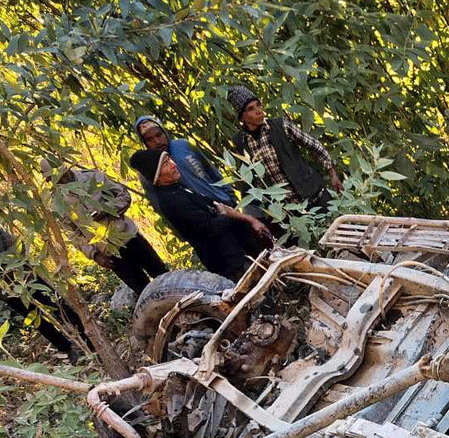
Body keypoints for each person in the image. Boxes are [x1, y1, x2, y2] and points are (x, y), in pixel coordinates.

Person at [0, 203, 87, 358]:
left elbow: (18, 248)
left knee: (58, 304)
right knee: (38, 320)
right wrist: (8, 261)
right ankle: (67, 349)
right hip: (7, 290)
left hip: (27, 276)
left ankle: (88, 339)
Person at [131, 149, 272, 281]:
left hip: (239, 249)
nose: (174, 165)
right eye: (166, 164)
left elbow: (216, 205)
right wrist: (222, 215)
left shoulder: (179, 187)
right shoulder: (171, 201)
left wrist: (250, 219)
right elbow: (210, 227)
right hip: (229, 261)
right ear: (157, 175)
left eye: (170, 159)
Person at [50, 163, 168, 295]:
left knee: (163, 276)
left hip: (129, 236)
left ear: (67, 168)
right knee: (144, 292)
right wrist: (94, 255)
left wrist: (106, 209)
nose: (64, 181)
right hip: (109, 252)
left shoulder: (92, 177)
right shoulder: (57, 205)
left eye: (64, 176)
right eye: (58, 180)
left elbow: (124, 196)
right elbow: (74, 235)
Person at [229, 87, 342, 209]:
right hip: (286, 210)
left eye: (258, 105)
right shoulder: (241, 142)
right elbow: (249, 181)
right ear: (242, 117)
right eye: (251, 109)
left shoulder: (280, 126)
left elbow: (314, 145)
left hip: (314, 197)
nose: (259, 111)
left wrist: (332, 174)